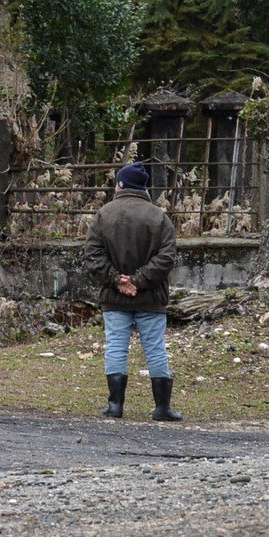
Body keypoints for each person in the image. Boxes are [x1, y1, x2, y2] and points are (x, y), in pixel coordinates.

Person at [83, 161, 183, 422]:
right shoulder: (159, 217)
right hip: (151, 297)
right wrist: (139, 281)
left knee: (116, 347)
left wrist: (118, 281)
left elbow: (93, 255)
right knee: (156, 349)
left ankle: (115, 405)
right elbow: (167, 256)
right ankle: (162, 408)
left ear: (120, 184)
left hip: (115, 298)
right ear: (145, 187)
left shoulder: (104, 215)